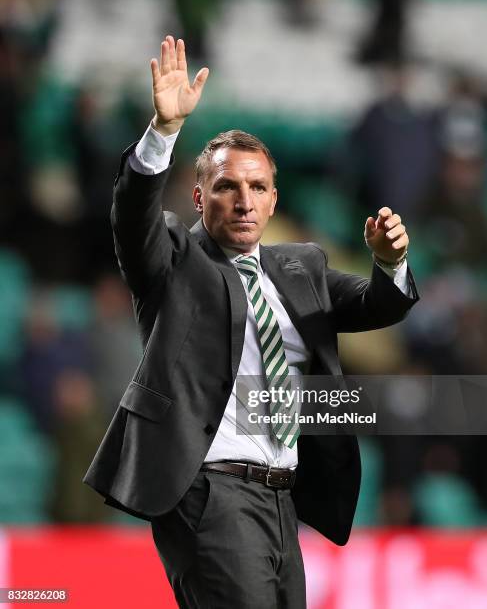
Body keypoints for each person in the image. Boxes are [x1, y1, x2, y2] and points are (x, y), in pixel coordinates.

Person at [84, 35, 419, 608]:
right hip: (209, 491)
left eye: (257, 187)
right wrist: (163, 133)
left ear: (272, 200)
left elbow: (376, 305)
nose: (243, 200)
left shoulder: (301, 267)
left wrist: (390, 263)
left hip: (283, 499)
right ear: (197, 197)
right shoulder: (172, 259)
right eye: (226, 187)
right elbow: (131, 219)